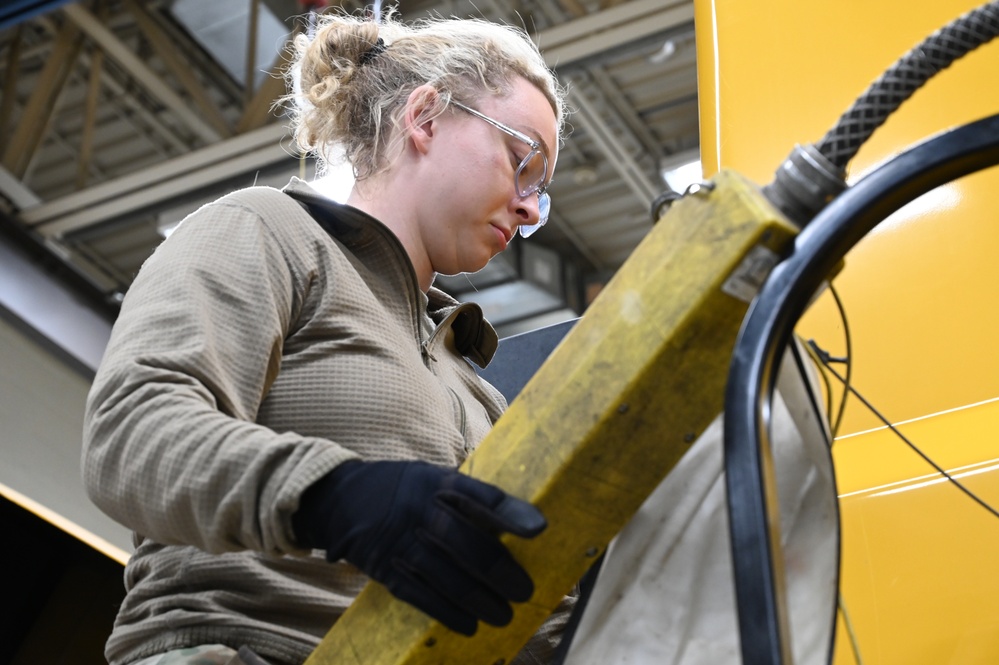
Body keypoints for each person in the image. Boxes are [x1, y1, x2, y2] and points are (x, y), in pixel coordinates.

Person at [82, 9, 570, 665]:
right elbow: (130, 433)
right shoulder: (270, 232)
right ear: (424, 117)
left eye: (542, 190)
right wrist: (331, 494)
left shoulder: (478, 392)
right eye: (522, 162)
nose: (530, 206)